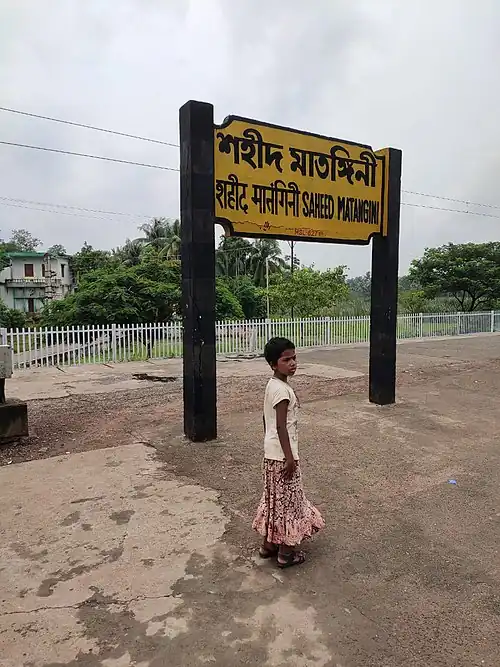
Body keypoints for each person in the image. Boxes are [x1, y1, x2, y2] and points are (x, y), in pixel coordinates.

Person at [252, 337, 325, 568]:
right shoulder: (282, 391)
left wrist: (270, 445)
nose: (292, 363)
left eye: (294, 358)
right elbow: (281, 426)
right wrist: (289, 457)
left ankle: (268, 545)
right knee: (290, 504)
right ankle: (286, 553)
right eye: (286, 360)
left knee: (274, 500)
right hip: (284, 457)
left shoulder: (272, 385)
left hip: (271, 454)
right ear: (273, 364)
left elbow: (266, 421)